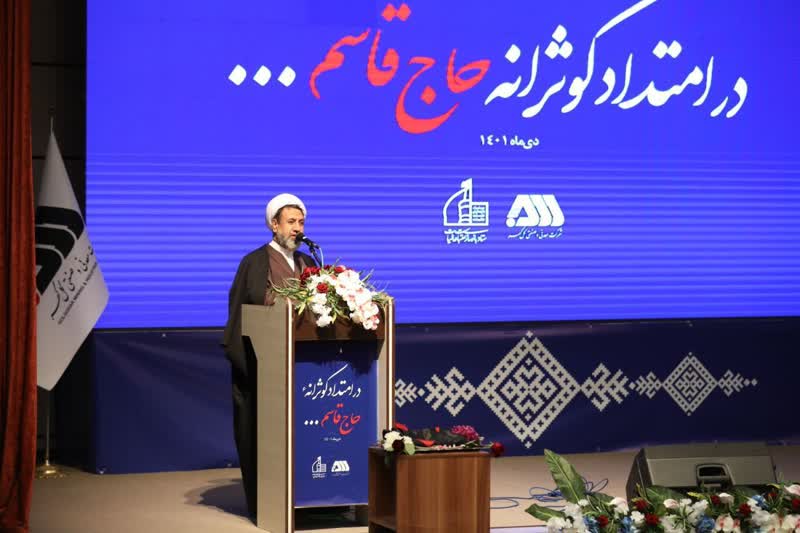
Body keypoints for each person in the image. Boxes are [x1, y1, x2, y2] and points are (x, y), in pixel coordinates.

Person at [222, 193, 317, 519]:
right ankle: (267, 504)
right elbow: (241, 311)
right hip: (265, 365)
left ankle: (306, 500)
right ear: (274, 225)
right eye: (291, 222)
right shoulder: (254, 262)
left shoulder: (308, 262)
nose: (297, 228)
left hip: (304, 366)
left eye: (301, 222)